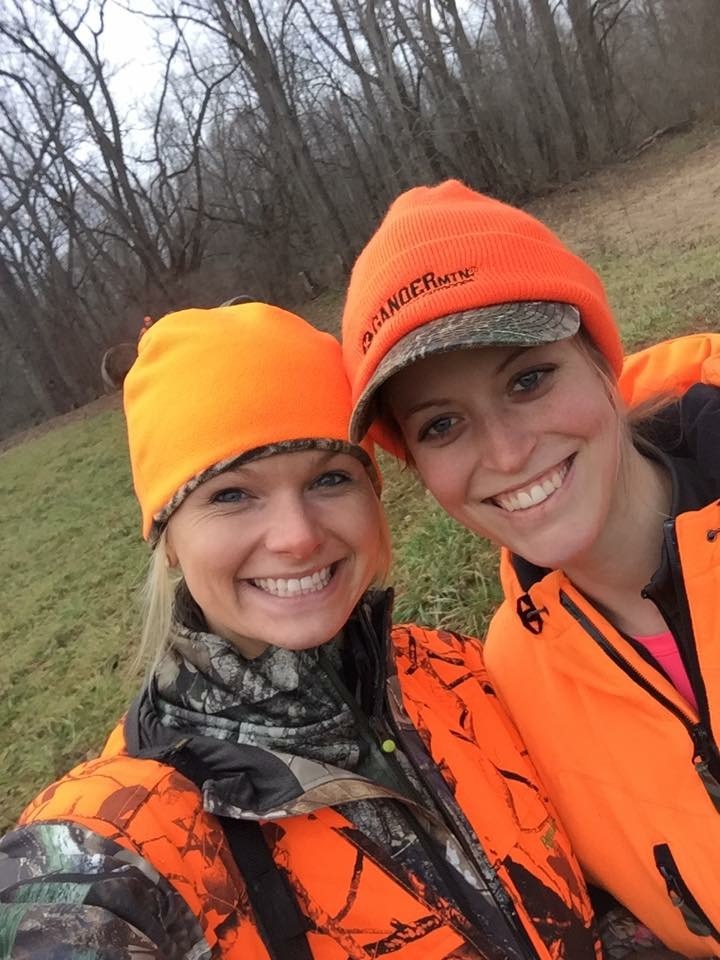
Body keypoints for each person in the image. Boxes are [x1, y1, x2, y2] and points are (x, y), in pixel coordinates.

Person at [0, 302, 605, 959]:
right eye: (231, 494)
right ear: (168, 538)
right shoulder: (117, 838)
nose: (297, 537)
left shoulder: (463, 677)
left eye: (330, 479)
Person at [340, 179, 720, 959]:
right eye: (442, 424)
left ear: (600, 361)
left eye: (528, 379)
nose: (508, 454)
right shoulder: (508, 684)